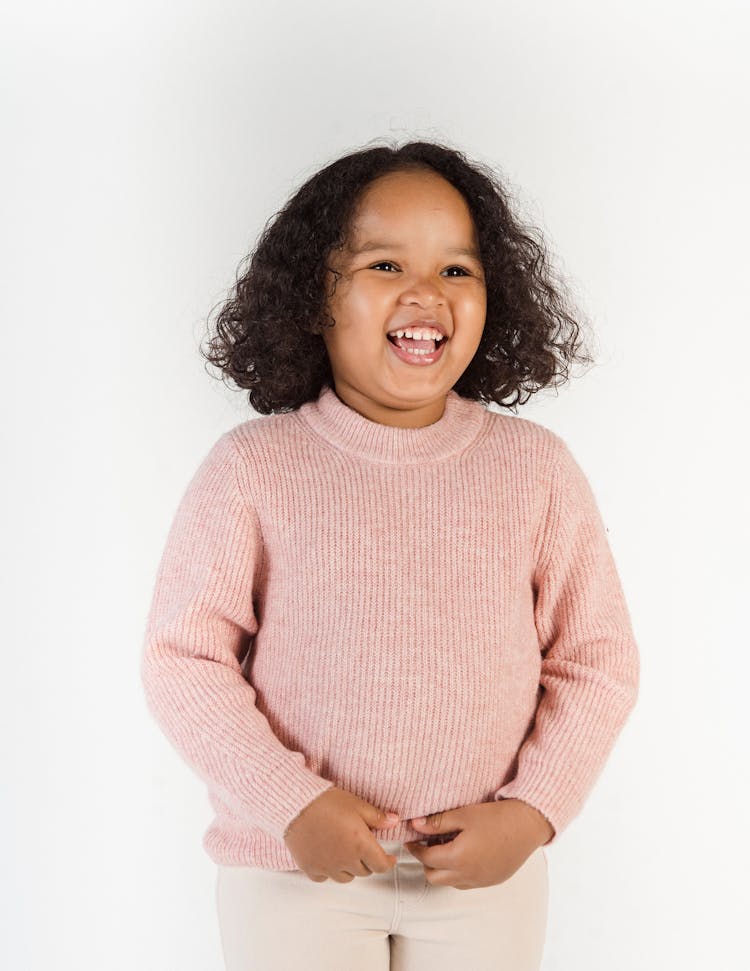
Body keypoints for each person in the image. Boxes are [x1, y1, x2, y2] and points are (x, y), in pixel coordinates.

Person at [140, 138, 640, 970]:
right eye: (382, 264)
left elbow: (598, 660)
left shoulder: (535, 470)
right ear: (311, 299)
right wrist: (289, 802)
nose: (425, 293)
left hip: (483, 874)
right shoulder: (254, 468)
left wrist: (532, 812)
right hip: (293, 867)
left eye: (457, 270)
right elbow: (183, 659)